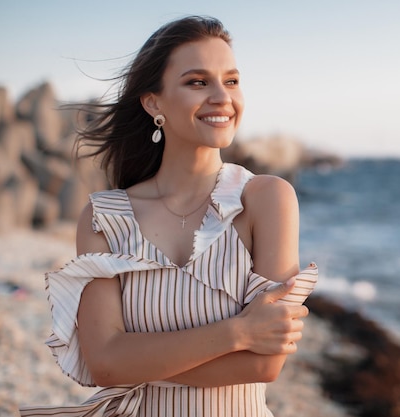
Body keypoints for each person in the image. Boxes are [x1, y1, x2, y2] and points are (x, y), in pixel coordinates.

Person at [20, 15, 317, 417]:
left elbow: (264, 365)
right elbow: (103, 364)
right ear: (153, 102)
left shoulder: (267, 200)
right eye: (198, 82)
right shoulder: (104, 218)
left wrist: (134, 359)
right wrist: (239, 332)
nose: (222, 97)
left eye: (231, 80)